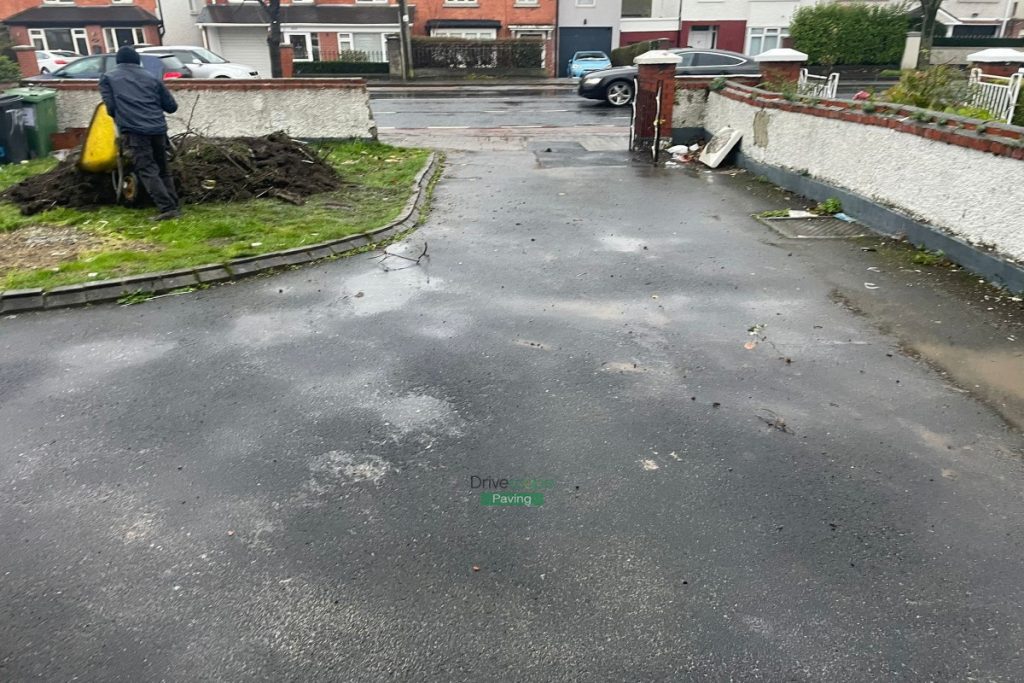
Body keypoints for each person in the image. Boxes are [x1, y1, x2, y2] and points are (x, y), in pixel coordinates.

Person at [99, 45, 181, 221]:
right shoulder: (152, 77)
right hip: (158, 129)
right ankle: (174, 205)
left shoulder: (108, 78)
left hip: (135, 131)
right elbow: (171, 107)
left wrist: (124, 116)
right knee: (162, 168)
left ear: (118, 61)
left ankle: (167, 209)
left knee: (147, 169)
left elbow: (111, 108)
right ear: (138, 61)